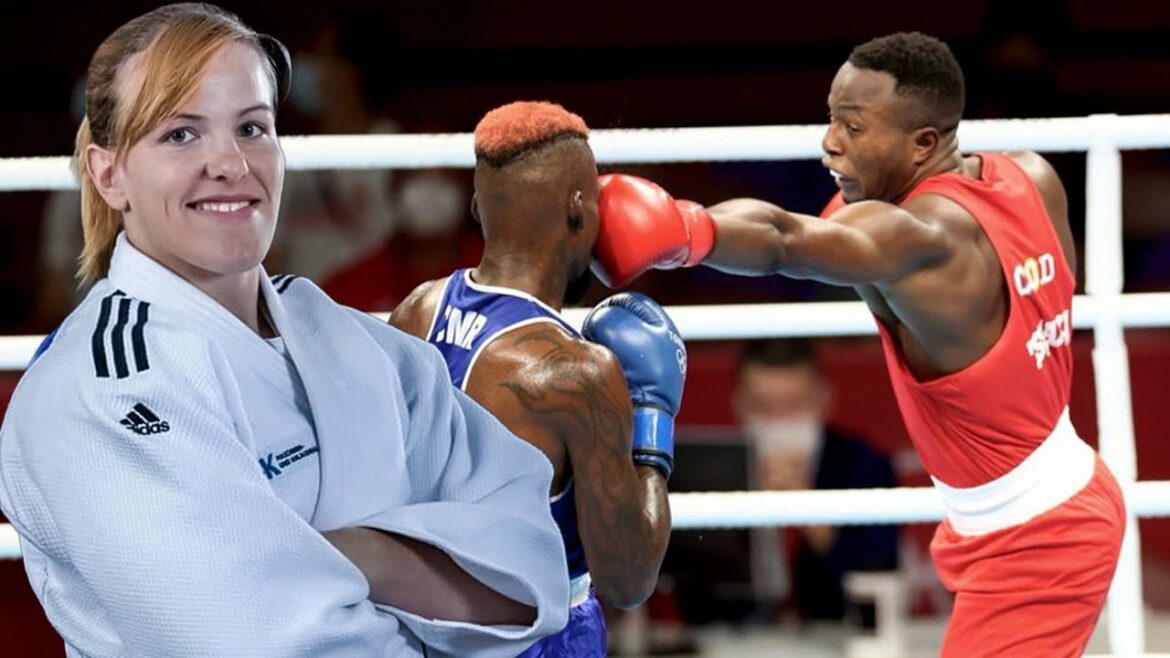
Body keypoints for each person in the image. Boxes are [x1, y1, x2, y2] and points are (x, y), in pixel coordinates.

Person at [0, 5, 568, 656]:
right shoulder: (95, 390)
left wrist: (361, 555)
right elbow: (253, 642)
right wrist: (424, 581)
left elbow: (533, 571)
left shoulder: (361, 342)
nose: (231, 164)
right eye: (181, 134)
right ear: (109, 175)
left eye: (251, 127)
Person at [590, 31, 1126, 657]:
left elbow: (783, 240)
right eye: (831, 118)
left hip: (1041, 538)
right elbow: (1057, 291)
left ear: (923, 143)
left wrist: (681, 229)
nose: (829, 141)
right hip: (1048, 498)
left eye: (853, 126)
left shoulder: (918, 237)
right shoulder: (1029, 174)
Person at [390, 101, 679, 656]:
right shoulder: (573, 374)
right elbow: (629, 578)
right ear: (578, 208)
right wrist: (653, 416)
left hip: (422, 629)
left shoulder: (417, 311)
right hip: (538, 636)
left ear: (477, 206)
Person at [734, 338, 898, 623]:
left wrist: (810, 513)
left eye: (794, 405)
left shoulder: (863, 463)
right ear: (739, 404)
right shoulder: (719, 469)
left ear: (823, 399)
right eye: (763, 407)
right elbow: (698, 594)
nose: (779, 420)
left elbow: (877, 574)